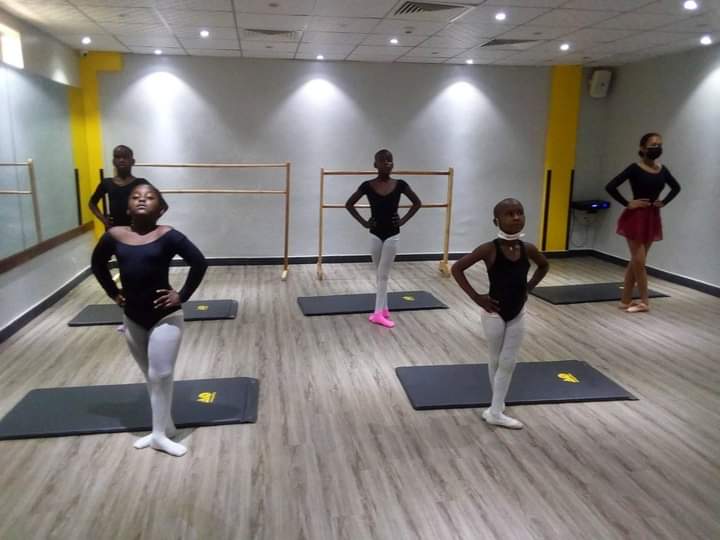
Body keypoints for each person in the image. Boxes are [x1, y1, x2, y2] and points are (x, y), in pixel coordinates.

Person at [91, 183, 207, 456]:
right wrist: (114, 294)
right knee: (150, 375)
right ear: (127, 206)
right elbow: (97, 265)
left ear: (162, 208)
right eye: (136, 196)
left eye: (150, 197)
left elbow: (199, 262)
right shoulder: (114, 236)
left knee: (161, 373)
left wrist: (182, 295)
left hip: (164, 316)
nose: (142, 199)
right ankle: (165, 426)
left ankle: (157, 436)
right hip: (132, 317)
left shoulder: (169, 236)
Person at [452, 198, 549, 429]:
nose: (516, 217)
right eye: (509, 214)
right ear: (497, 220)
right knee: (496, 358)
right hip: (493, 313)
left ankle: (495, 409)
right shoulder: (489, 249)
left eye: (520, 213)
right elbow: (457, 268)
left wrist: (529, 287)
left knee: (508, 361)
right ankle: (496, 408)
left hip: (518, 312)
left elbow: (544, 265)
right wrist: (476, 297)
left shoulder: (528, 249)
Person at [345, 149, 422, 328]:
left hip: (392, 235)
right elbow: (349, 204)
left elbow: (417, 203)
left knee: (383, 275)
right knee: (379, 275)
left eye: (390, 160)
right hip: (375, 234)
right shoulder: (367, 185)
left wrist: (402, 220)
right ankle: (384, 308)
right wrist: (364, 223)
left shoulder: (401, 184)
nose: (387, 163)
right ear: (375, 164)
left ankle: (378, 313)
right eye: (383, 160)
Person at [605, 133, 681, 313]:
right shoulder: (634, 168)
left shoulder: (663, 170)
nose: (657, 148)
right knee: (639, 262)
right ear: (642, 148)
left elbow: (676, 187)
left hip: (652, 217)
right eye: (653, 144)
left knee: (636, 261)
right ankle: (645, 302)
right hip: (635, 217)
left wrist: (663, 201)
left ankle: (625, 300)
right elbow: (611, 186)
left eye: (659, 145)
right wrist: (628, 203)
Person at [89, 145, 148, 229]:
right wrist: (104, 220)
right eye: (117, 157)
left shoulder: (141, 183)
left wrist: (148, 221)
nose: (121, 160)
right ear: (113, 161)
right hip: (114, 229)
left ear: (133, 161)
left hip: (136, 231)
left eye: (125, 157)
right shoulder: (107, 183)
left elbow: (162, 205)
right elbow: (92, 203)